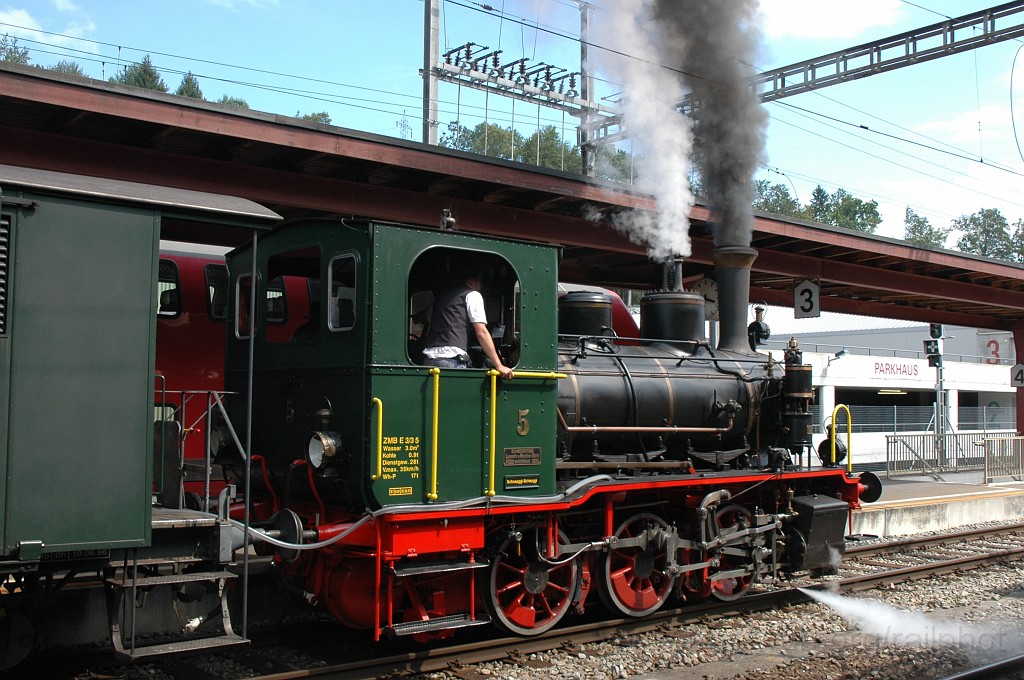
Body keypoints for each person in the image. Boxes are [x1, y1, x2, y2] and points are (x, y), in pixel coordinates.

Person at [421, 266, 514, 379]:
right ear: (470, 281)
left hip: (429, 361)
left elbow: (427, 319)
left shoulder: (438, 299)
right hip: (452, 361)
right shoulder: (473, 295)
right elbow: (481, 332)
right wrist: (499, 365)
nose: (481, 286)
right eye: (480, 282)